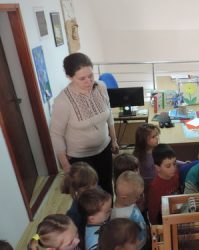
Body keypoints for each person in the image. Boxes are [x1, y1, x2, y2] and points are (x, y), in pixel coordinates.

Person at [50, 52, 118, 196]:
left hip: (104, 149)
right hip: (80, 158)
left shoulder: (101, 87)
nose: (88, 81)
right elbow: (56, 135)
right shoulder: (62, 101)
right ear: (69, 77)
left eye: (90, 76)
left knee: (107, 188)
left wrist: (114, 140)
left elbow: (109, 114)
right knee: (89, 196)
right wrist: (66, 167)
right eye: (82, 78)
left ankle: (109, 218)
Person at [61, 161, 98, 243]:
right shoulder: (75, 212)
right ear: (77, 188)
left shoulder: (94, 191)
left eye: (95, 183)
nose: (94, 188)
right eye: (88, 187)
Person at [111, 171, 147, 249]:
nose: (138, 199)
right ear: (124, 197)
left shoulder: (128, 202)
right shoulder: (119, 217)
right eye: (136, 197)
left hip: (143, 238)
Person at [147, 144, 180, 225]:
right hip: (164, 220)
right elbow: (153, 213)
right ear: (157, 168)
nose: (173, 168)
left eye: (174, 163)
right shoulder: (154, 187)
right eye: (168, 166)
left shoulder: (176, 174)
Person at [133, 123, 160, 188]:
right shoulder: (138, 158)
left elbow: (167, 159)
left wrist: (182, 163)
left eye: (157, 135)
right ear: (143, 140)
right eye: (153, 137)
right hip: (149, 187)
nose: (157, 138)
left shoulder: (158, 149)